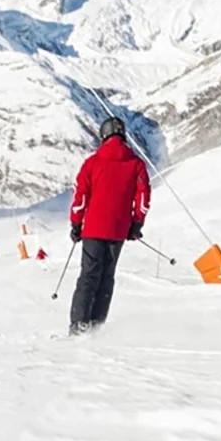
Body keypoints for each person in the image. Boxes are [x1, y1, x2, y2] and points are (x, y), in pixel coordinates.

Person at [67, 116, 150, 335]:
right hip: (119, 230)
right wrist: (137, 223)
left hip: (93, 229)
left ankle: (78, 326)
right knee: (107, 276)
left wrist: (76, 224)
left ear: (103, 136)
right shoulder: (136, 164)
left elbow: (80, 197)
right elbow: (143, 196)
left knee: (88, 276)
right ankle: (96, 326)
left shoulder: (92, 163)